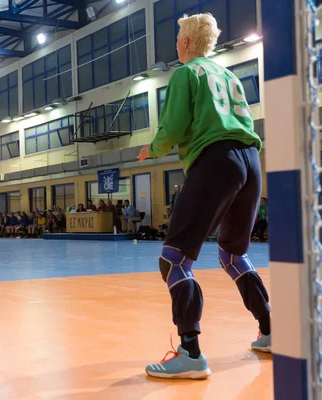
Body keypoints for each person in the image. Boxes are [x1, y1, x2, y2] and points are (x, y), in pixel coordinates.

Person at [137, 13, 271, 379]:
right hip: (250, 161)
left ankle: (190, 351)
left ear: (186, 43)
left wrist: (154, 147)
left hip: (215, 161)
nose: (176, 42)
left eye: (178, 36)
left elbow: (175, 124)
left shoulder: (186, 73)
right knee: (232, 253)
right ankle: (271, 328)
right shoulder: (228, 75)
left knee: (174, 260)